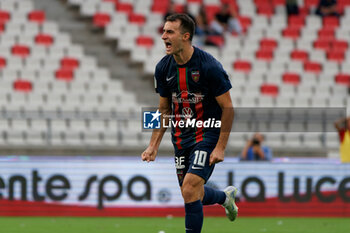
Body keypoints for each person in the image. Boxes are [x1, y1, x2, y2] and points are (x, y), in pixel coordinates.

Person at [141, 14, 237, 233]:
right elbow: (164, 109)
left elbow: (228, 108)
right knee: (191, 193)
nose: (163, 36)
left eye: (169, 32)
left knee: (191, 186)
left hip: (207, 134)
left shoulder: (209, 66)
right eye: (164, 31)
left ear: (185, 36)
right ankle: (225, 197)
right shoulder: (162, 68)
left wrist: (220, 146)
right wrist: (153, 145)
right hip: (181, 137)